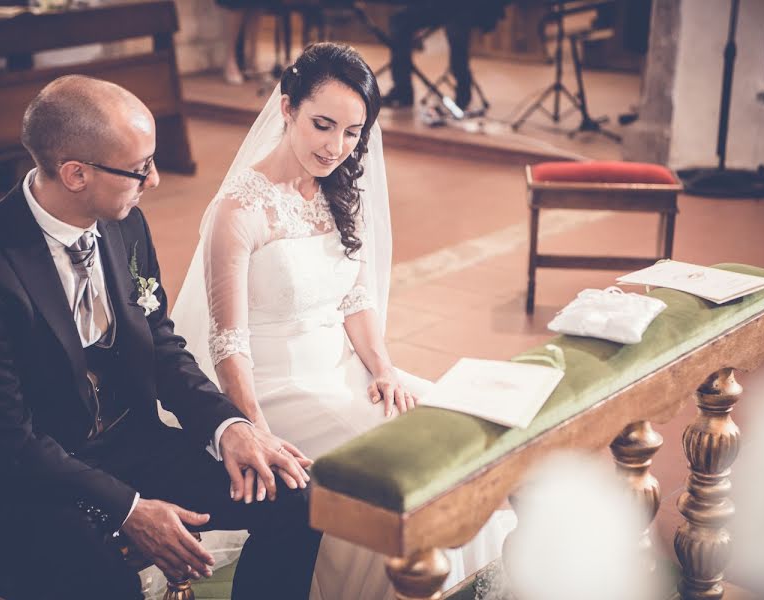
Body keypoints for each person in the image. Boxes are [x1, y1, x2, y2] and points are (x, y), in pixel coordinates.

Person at [0, 75, 321, 600]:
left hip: (125, 446)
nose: (154, 180)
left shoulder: (123, 223)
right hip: (17, 485)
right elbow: (5, 441)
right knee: (102, 578)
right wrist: (129, 507)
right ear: (76, 173)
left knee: (296, 498)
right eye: (139, 169)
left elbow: (159, 346)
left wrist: (230, 427)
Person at [171, 42, 515, 600]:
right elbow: (227, 343)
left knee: (459, 436)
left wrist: (383, 367)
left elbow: (354, 299)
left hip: (346, 370)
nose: (336, 147)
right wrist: (258, 432)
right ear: (287, 109)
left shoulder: (338, 190)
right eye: (322, 125)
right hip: (276, 389)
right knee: (407, 474)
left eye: (353, 132)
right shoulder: (238, 211)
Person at [382, 1, 507, 110]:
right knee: (401, 20)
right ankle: (403, 90)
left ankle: (462, 95)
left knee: (456, 27)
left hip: (467, 7)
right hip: (447, 6)